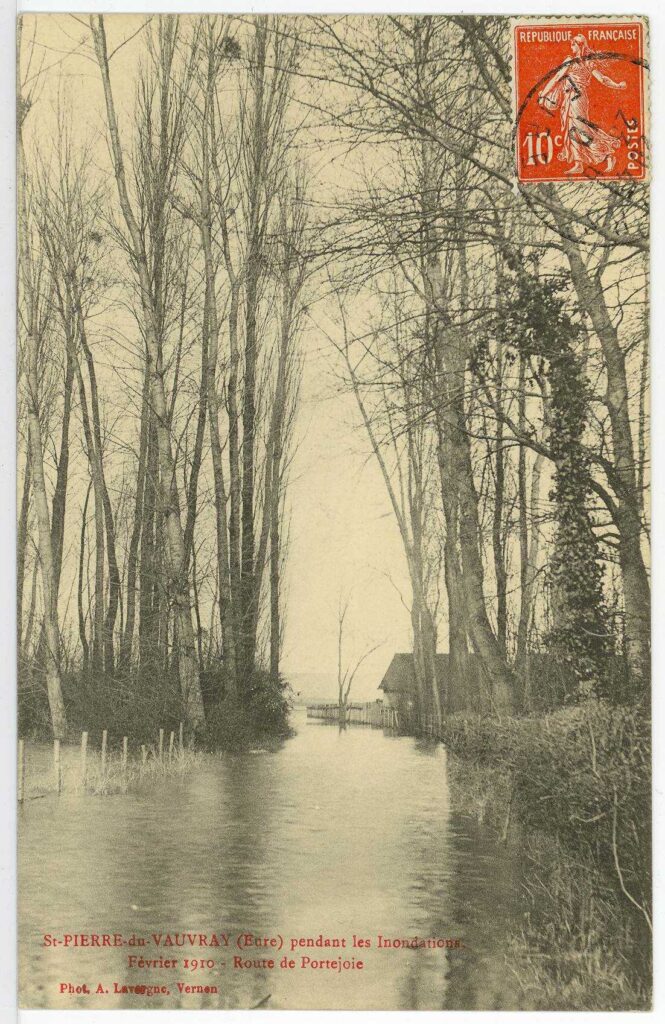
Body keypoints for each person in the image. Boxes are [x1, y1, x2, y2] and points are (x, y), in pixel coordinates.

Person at [538, 34, 626, 174]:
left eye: (573, 44)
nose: (571, 47)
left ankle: (607, 154)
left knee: (581, 129)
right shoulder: (581, 61)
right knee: (570, 129)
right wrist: (618, 86)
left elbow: (556, 78)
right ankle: (578, 163)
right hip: (569, 98)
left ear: (579, 46)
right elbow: (557, 78)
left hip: (577, 99)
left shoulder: (578, 62)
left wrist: (618, 86)